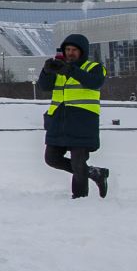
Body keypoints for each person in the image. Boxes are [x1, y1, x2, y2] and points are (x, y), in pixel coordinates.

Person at [39, 33, 110, 200]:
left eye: (74, 50)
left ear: (82, 52)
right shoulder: (59, 69)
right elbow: (44, 86)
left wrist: (70, 70)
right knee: (51, 158)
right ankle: (95, 173)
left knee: (78, 163)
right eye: (67, 50)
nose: (70, 53)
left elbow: (95, 82)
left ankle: (79, 198)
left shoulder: (93, 67)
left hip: (82, 123)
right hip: (58, 122)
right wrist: (46, 71)